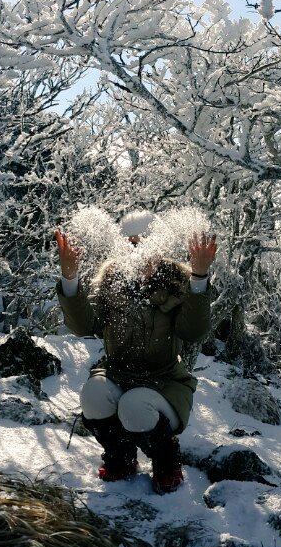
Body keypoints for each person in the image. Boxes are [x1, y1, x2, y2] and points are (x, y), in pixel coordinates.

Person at [55, 210, 216, 494]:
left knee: (134, 405)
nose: (138, 251)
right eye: (131, 244)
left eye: (145, 243)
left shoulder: (178, 282)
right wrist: (70, 278)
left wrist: (199, 276)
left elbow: (193, 331)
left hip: (165, 384)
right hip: (118, 375)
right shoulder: (112, 281)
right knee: (92, 395)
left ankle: (167, 462)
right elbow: (84, 326)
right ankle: (121, 458)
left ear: (159, 245)